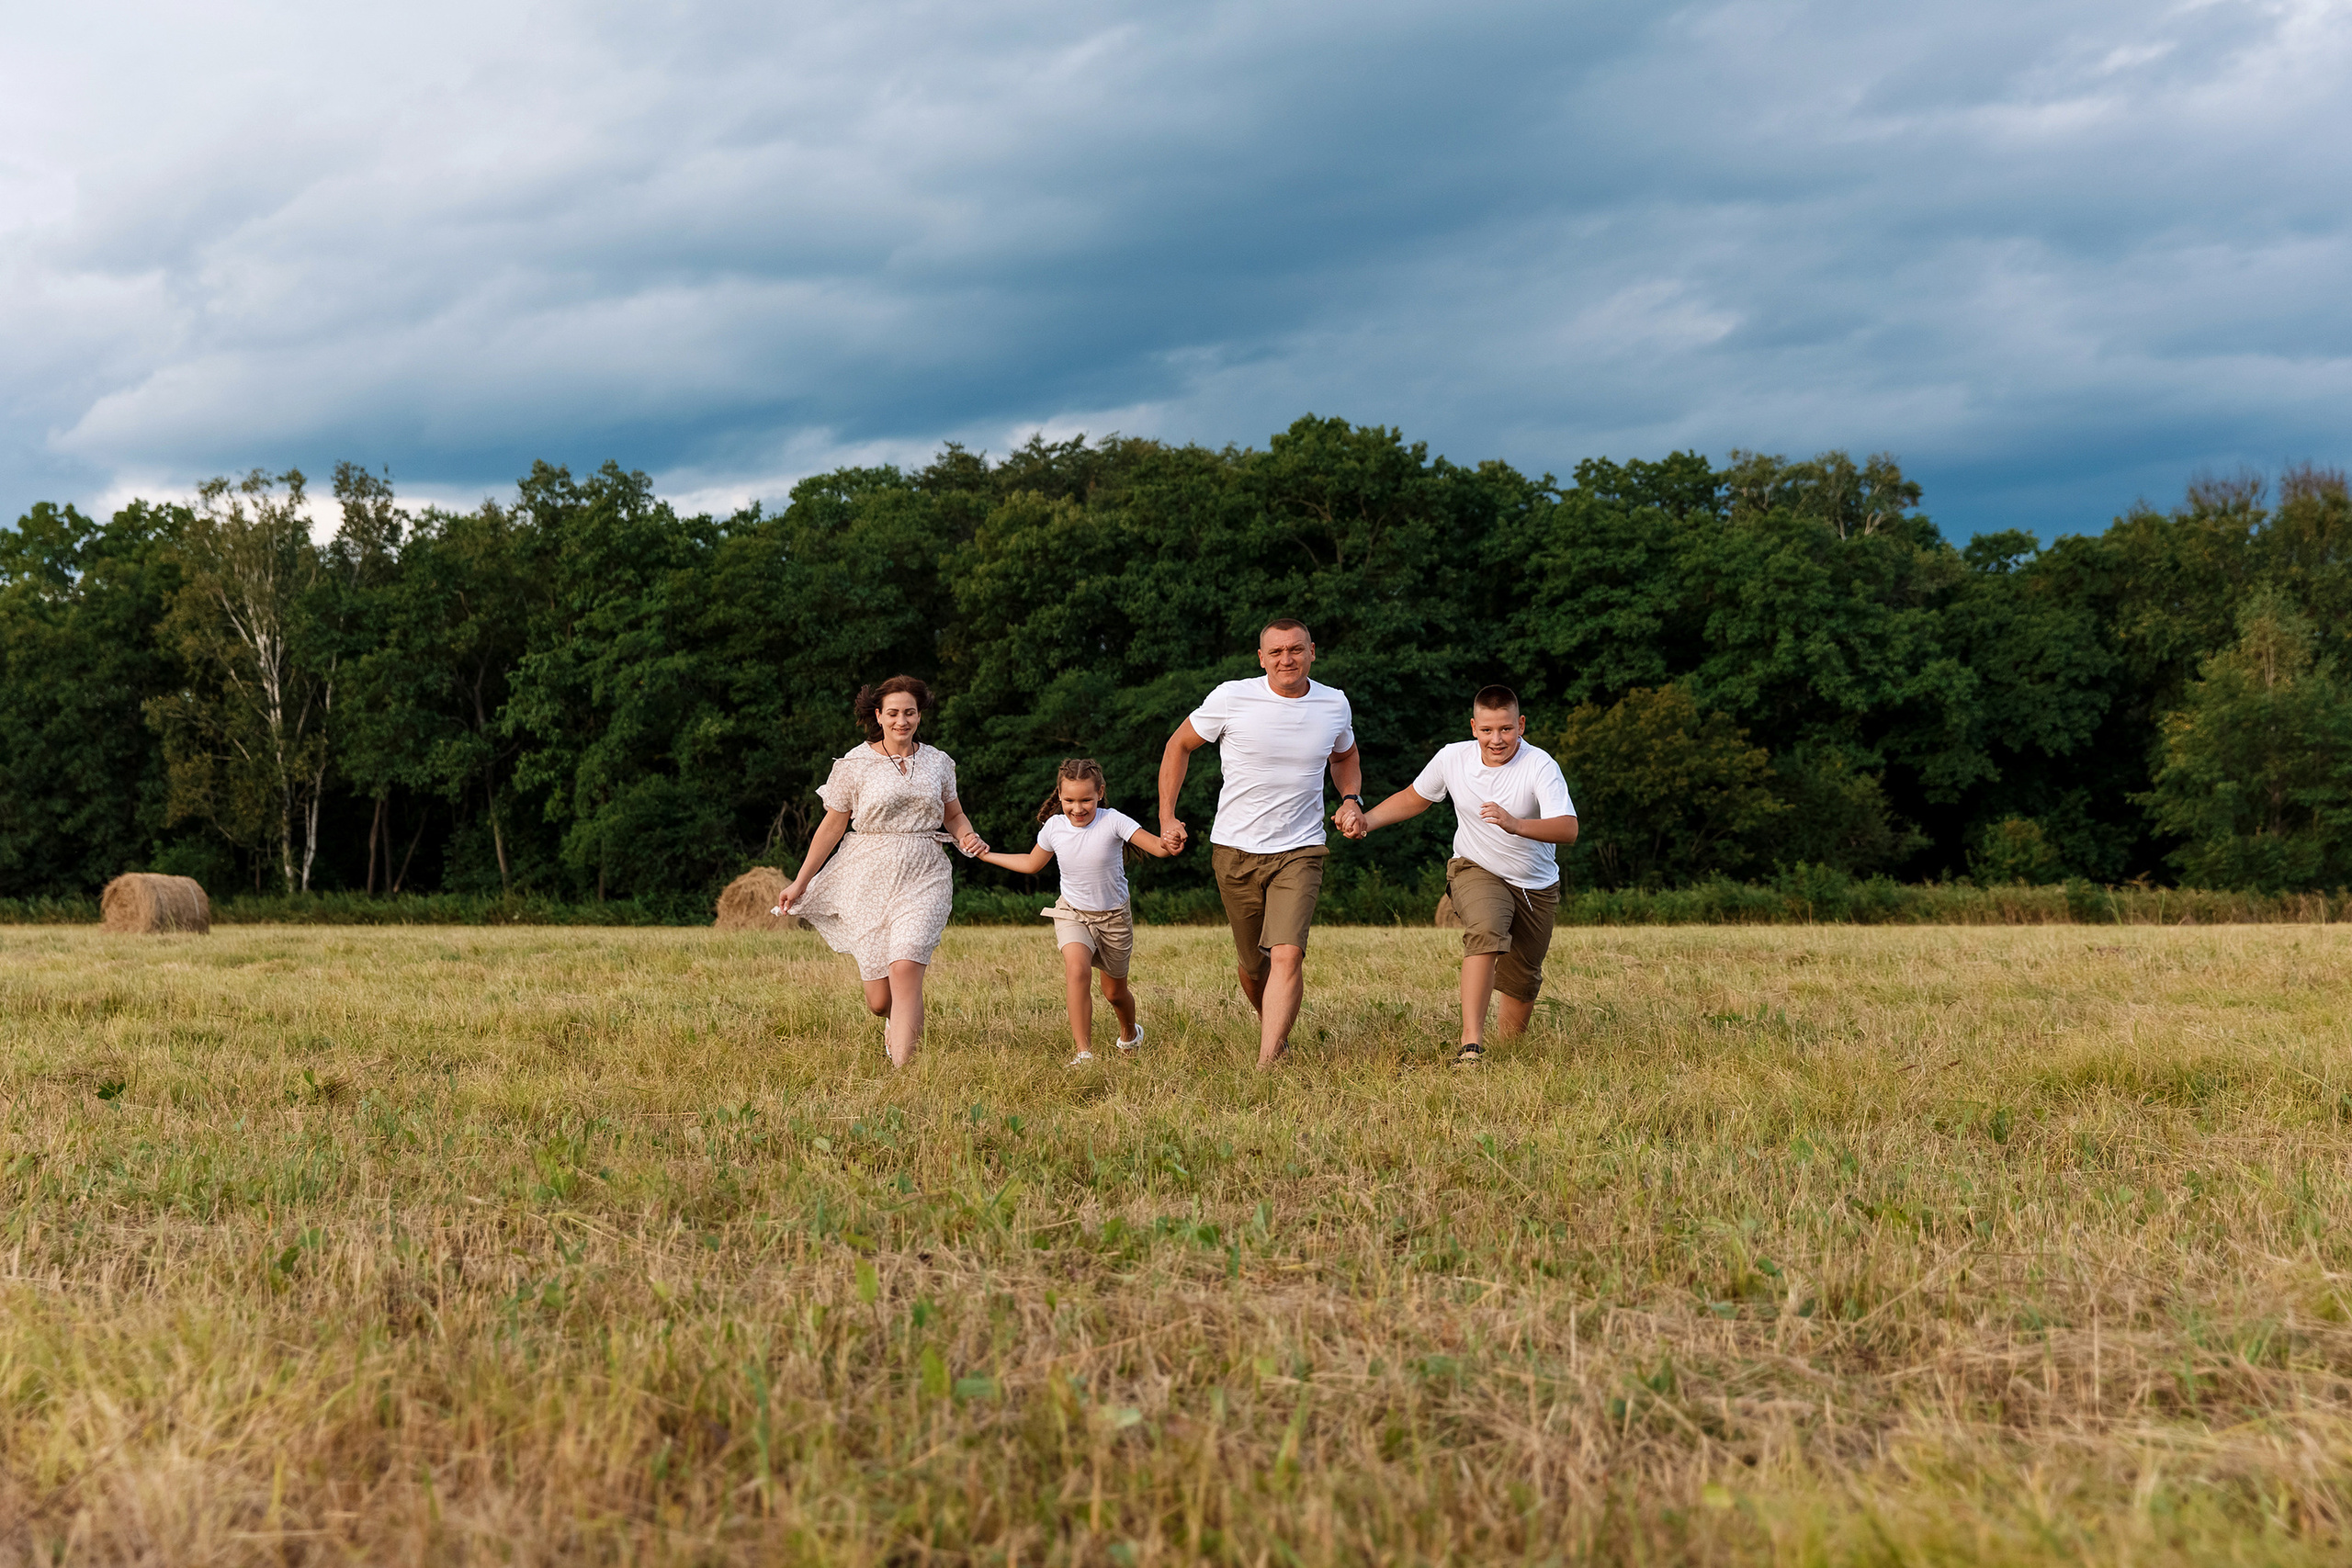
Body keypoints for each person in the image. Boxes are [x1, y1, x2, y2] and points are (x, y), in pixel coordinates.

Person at [1158, 618, 1365, 1067]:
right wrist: (1167, 815)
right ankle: (1276, 1031)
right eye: (1276, 652)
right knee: (1255, 968)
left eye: (1295, 649)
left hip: (1301, 848)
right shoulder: (1232, 697)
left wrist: (1350, 799)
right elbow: (1178, 745)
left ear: (1313, 651)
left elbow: (1345, 755)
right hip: (1235, 850)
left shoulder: (1334, 703)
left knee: (1288, 953)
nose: (1286, 659)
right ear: (1261, 658)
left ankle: (1267, 1062)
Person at [1351, 684, 1577, 1065]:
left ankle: (1509, 1050)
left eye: (1506, 729)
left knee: (1523, 978)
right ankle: (1471, 1045)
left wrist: (1516, 824)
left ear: (1521, 725)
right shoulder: (1452, 758)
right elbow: (1414, 797)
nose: (1497, 739)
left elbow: (1568, 828)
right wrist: (1365, 821)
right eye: (1487, 730)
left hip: (1534, 883)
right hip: (1475, 867)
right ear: (1474, 727)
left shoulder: (1540, 765)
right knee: (1486, 930)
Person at [779, 676, 988, 1067]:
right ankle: (893, 1023)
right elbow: (832, 827)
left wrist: (968, 836)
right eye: (892, 713)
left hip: (925, 870)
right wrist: (800, 881)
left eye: (909, 712)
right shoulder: (854, 764)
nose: (901, 720)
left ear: (919, 715)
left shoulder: (938, 763)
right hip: (868, 875)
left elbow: (954, 815)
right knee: (879, 1001)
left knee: (906, 965)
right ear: (878, 715)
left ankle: (904, 1074)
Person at [975, 758, 1177, 1066]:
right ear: (1059, 795)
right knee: (1077, 970)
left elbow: (1160, 848)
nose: (1077, 808)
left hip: (1113, 918)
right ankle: (1084, 1054)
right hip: (1072, 912)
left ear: (1100, 793)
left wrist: (1172, 838)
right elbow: (1031, 864)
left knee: (1114, 993)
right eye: (1069, 800)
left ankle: (1130, 1033)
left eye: (1085, 800)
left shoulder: (1114, 821)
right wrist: (987, 856)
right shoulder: (1054, 827)